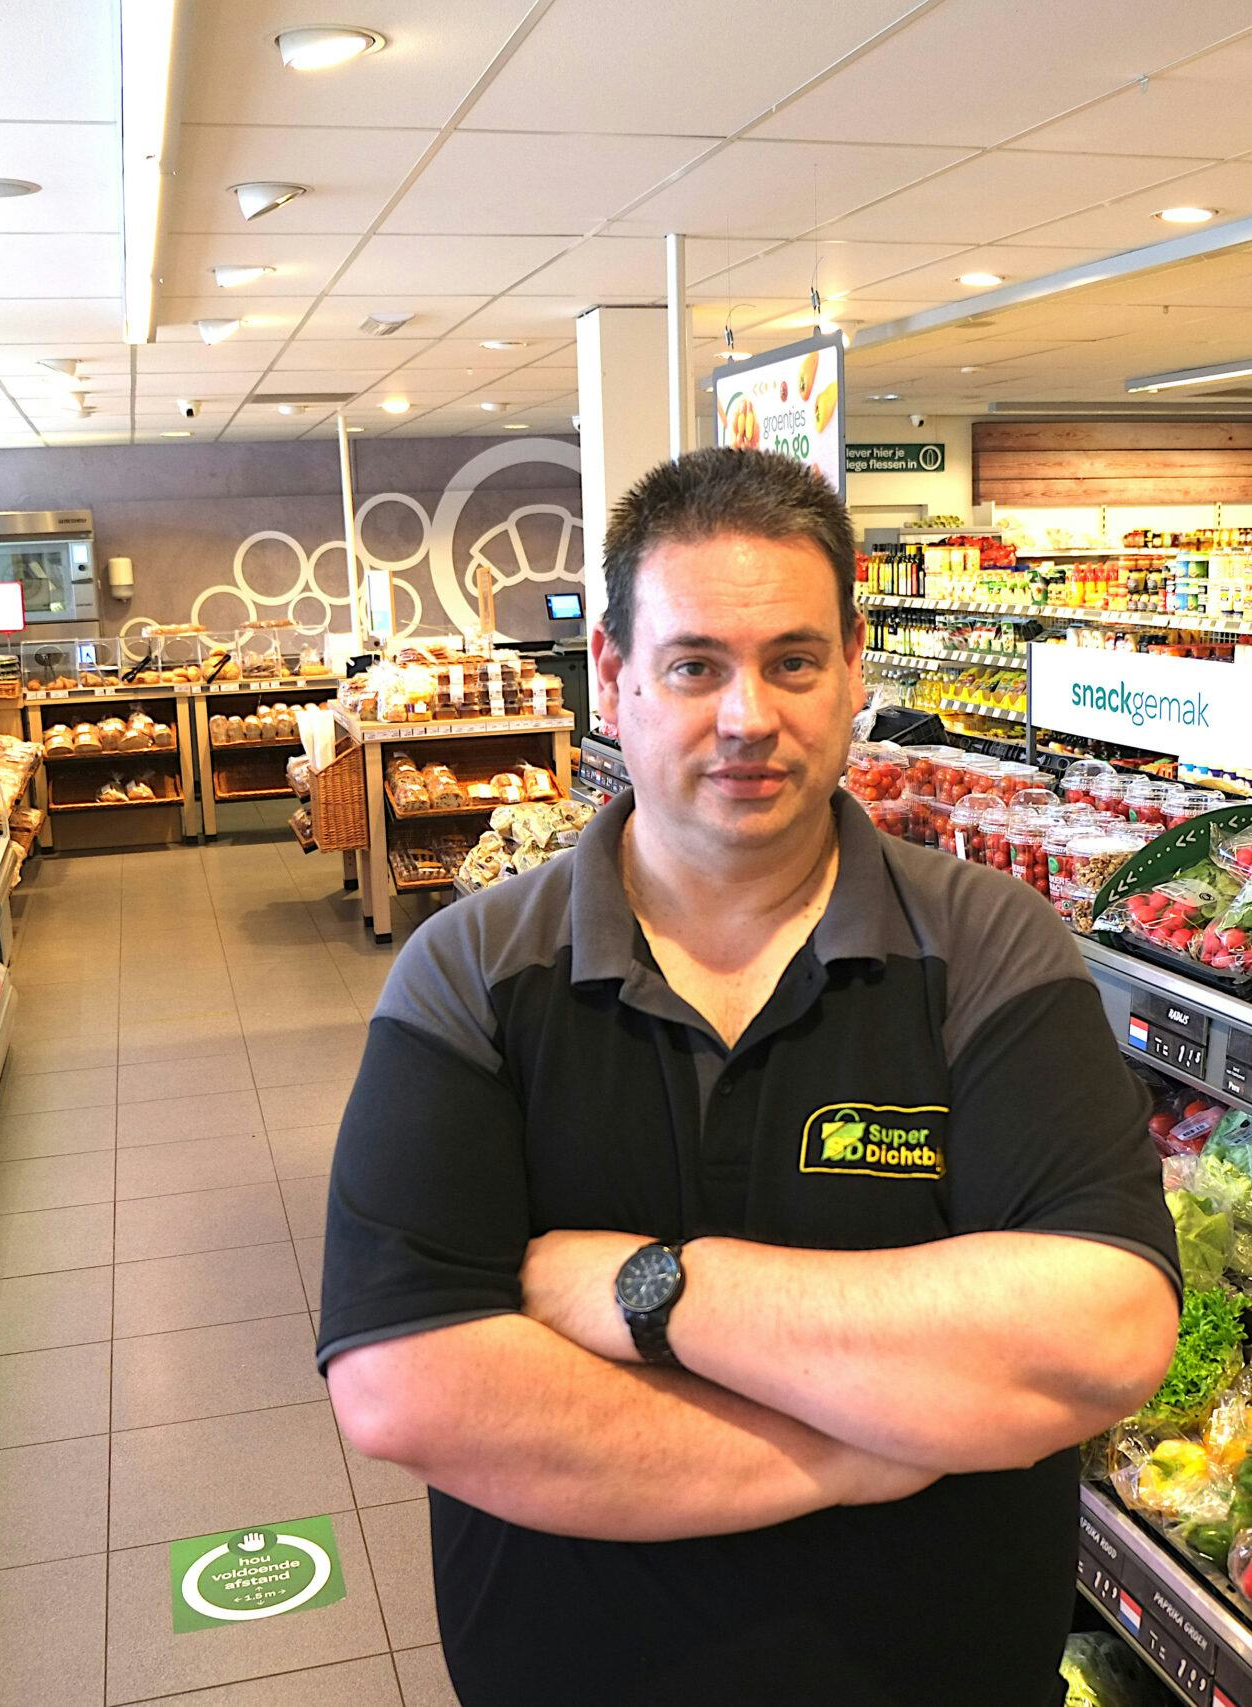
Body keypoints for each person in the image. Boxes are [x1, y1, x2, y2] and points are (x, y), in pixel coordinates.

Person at [317, 448, 1181, 1706]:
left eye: (792, 662)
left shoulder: (990, 943)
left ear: (853, 670)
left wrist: (649, 1290)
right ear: (612, 674)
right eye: (694, 666)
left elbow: (1101, 1335)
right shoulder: (473, 972)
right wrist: (860, 1448)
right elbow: (409, 1387)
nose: (747, 717)